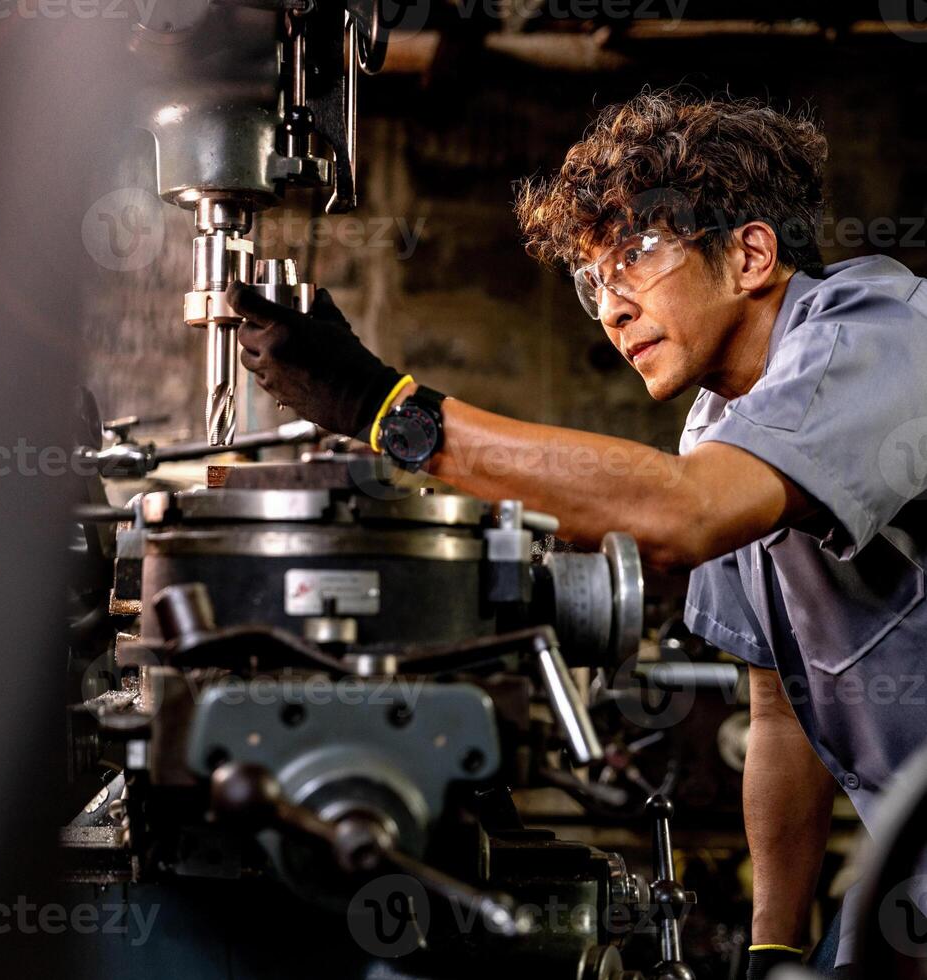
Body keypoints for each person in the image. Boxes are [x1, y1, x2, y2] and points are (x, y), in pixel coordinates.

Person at [226, 89, 927, 980]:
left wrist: (388, 411)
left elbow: (681, 513)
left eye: (635, 256)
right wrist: (772, 948)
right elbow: (778, 716)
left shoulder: (883, 335)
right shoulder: (723, 425)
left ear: (752, 253)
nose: (610, 309)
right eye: (593, 282)